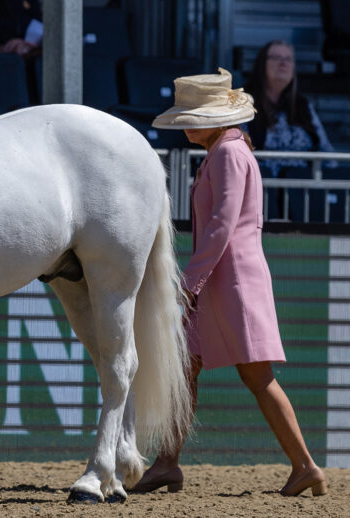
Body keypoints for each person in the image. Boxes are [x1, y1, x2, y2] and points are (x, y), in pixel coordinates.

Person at [133, 68, 326, 497]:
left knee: (257, 376)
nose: (185, 126)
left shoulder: (226, 154)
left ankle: (305, 465)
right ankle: (167, 461)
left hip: (230, 282)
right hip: (223, 281)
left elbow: (221, 226)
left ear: (213, 119)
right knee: (187, 368)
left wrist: (189, 283)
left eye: (192, 118)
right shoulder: (227, 150)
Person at [244, 40, 337, 220]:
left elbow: (326, 152)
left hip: (303, 196)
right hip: (261, 196)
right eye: (276, 57)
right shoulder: (245, 102)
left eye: (288, 59)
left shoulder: (303, 106)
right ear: (262, 64)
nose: (283, 63)